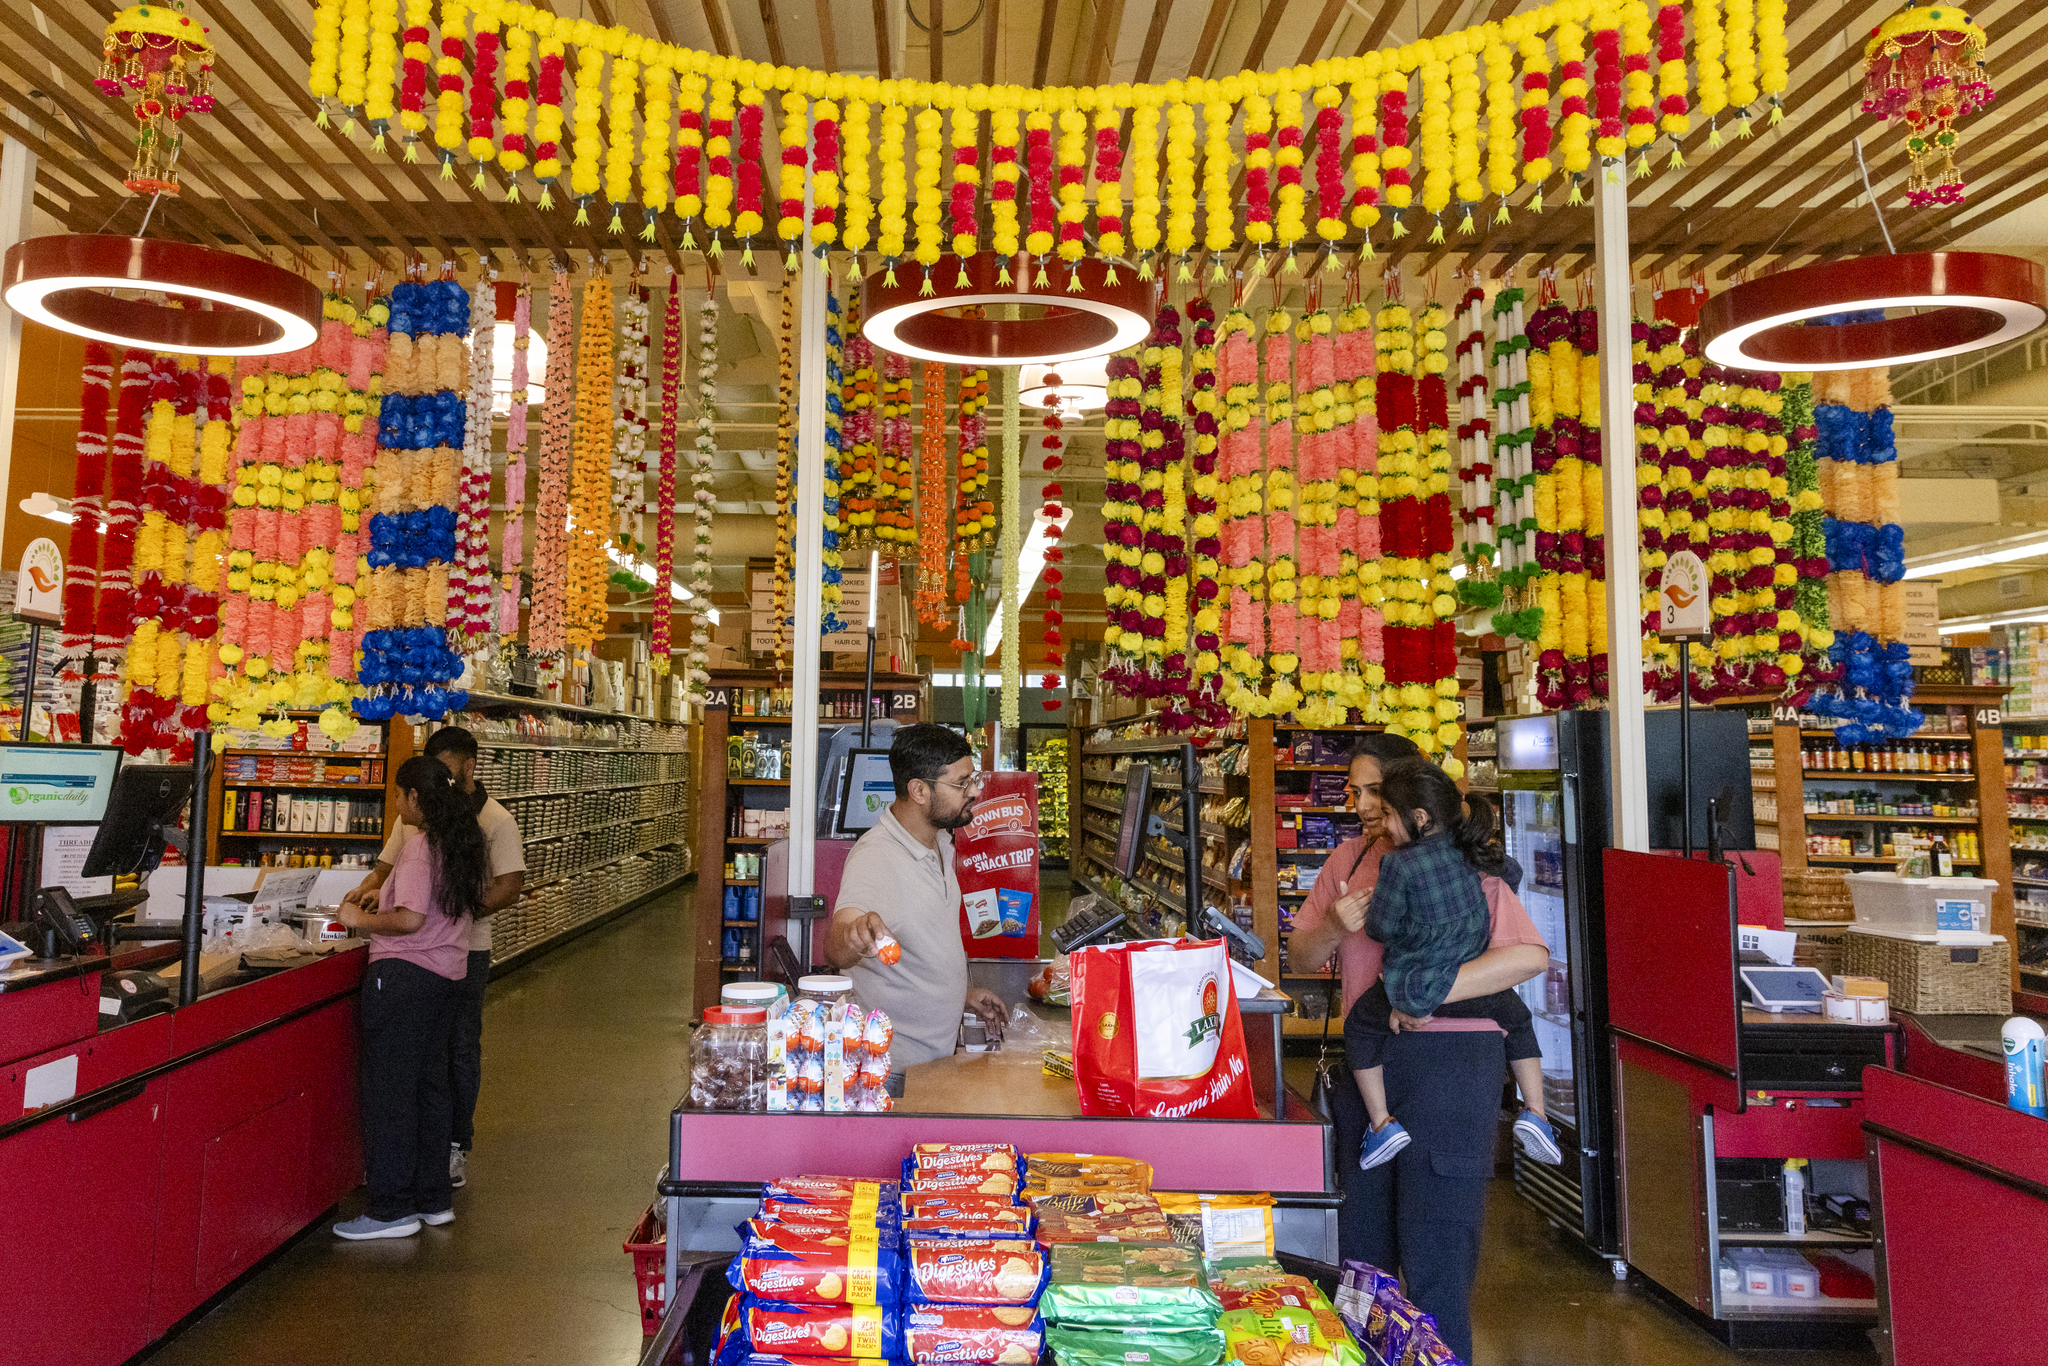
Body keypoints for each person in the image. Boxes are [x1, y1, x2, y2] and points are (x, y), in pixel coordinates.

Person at [1288, 733, 1551, 1363]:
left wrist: (1426, 994)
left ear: (1413, 797)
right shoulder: (1346, 864)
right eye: (1354, 790)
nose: (1361, 804)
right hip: (1367, 1067)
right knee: (1360, 1260)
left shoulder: (1467, 861)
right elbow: (1299, 957)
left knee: (1437, 1259)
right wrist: (1332, 925)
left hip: (1454, 1073)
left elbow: (1527, 956)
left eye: (1374, 790)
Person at [1343, 757, 1560, 1171]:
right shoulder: (1469, 854)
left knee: (1359, 1028)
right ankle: (1536, 1113)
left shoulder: (1397, 864)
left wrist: (1371, 911)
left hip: (1408, 986)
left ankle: (1381, 1123)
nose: (1385, 824)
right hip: (1474, 988)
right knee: (1518, 1021)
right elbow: (1509, 873)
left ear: (1419, 817)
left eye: (1389, 814)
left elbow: (1381, 930)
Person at [342, 727, 525, 1190]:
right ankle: (430, 1171)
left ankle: (445, 1151)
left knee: (452, 1053)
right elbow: (385, 871)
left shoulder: (494, 822)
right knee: (431, 1068)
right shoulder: (416, 827)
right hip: (443, 955)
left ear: (467, 765)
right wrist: (369, 891)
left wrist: (447, 911)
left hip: (443, 956)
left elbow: (506, 887)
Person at [330, 756, 492, 1240]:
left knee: (390, 1094)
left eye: (399, 796)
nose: (396, 805)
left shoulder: (421, 846)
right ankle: (432, 1197)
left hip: (404, 977)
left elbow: (410, 919)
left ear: (416, 798)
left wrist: (358, 920)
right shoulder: (462, 842)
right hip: (446, 977)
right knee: (431, 1089)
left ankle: (390, 1209)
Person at [824, 723, 1007, 1092]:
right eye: (961, 784)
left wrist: (962, 997)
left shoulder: (939, 841)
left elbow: (925, 939)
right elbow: (836, 947)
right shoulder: (876, 857)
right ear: (919, 790)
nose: (973, 792)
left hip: (932, 1062)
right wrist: (855, 934)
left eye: (974, 779)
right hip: (893, 1073)